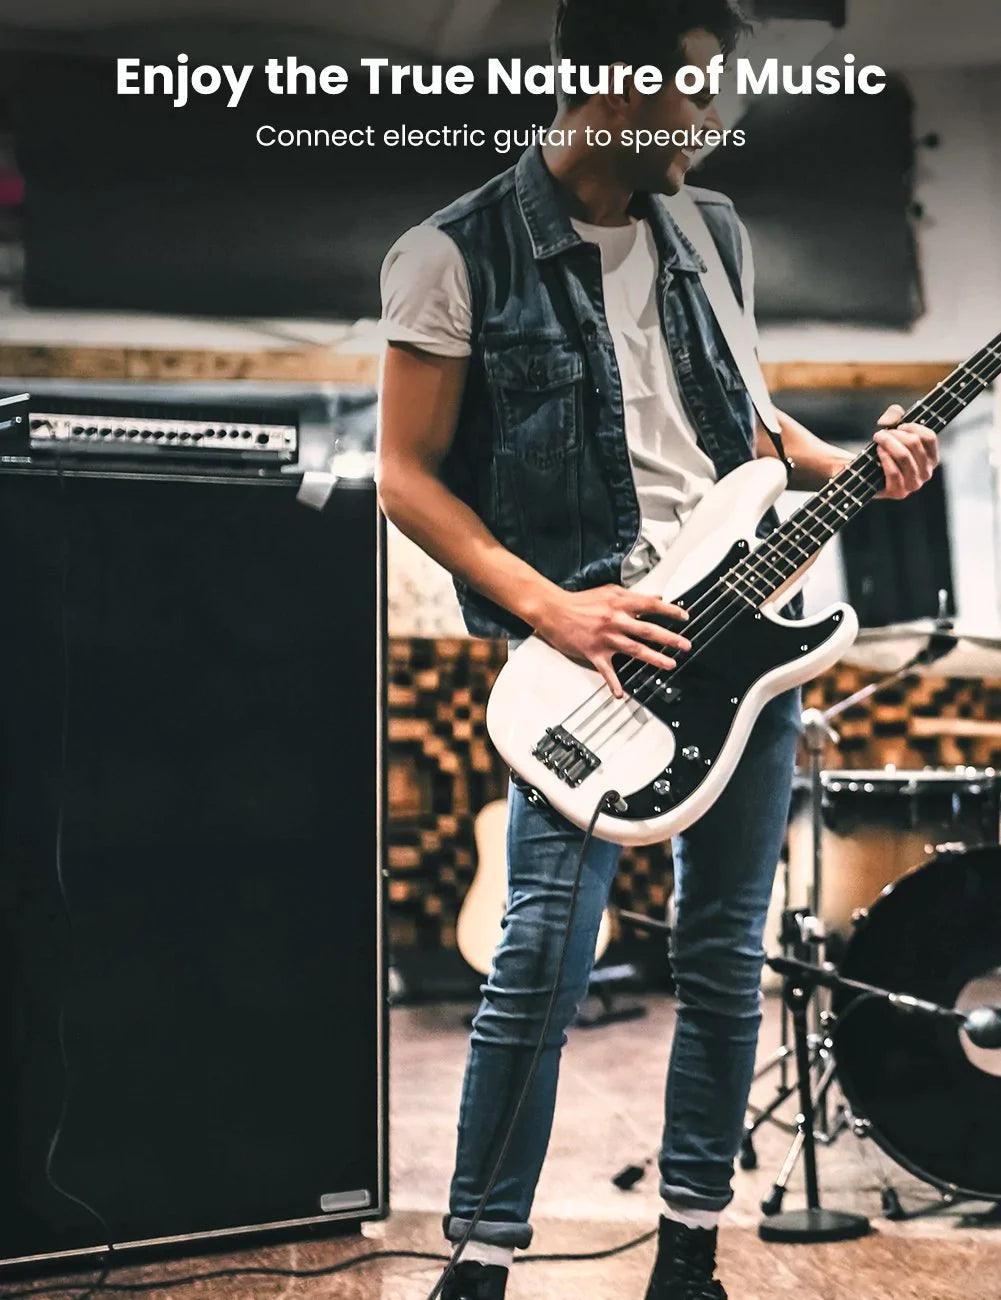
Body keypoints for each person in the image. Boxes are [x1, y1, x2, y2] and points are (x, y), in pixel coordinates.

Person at [376, 2, 938, 1295]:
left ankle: (689, 1250)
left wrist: (853, 461)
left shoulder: (712, 230)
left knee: (724, 957)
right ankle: (481, 1257)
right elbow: (406, 475)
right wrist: (551, 609)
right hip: (588, 655)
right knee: (538, 957)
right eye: (697, 89)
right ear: (613, 86)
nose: (717, 117)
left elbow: (748, 421)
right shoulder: (452, 253)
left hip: (743, 641)